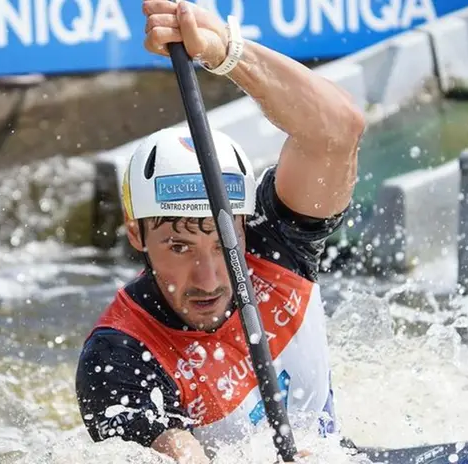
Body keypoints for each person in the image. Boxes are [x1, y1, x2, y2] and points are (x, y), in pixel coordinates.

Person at [75, 1, 365, 462]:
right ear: (136, 235)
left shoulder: (275, 243)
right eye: (179, 246)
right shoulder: (120, 355)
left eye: (222, 242)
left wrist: (225, 50)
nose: (210, 279)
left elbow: (338, 129)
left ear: (245, 225)